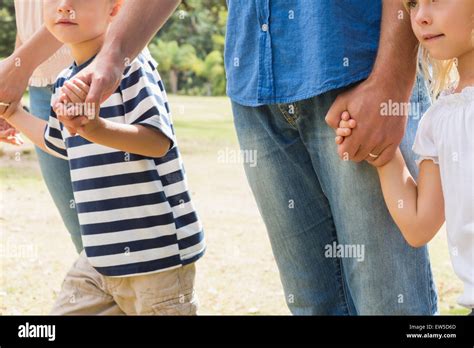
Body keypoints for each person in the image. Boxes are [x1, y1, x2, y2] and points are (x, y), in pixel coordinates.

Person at [48, 0, 438, 315]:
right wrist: (113, 54)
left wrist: (391, 79)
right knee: (312, 303)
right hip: (256, 87)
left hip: (356, 74)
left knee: (388, 303)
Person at [1, 0, 205, 315]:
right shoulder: (64, 79)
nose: (64, 6)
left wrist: (96, 128)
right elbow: (60, 143)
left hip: (157, 260)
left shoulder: (132, 67)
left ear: (115, 9)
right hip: (99, 259)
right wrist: (13, 113)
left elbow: (157, 142)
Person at [336, 0, 473, 315]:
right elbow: (418, 224)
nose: (421, 16)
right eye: (412, 3)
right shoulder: (440, 116)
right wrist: (380, 151)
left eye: (435, 0)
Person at [0, 0, 81, 251]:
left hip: (88, 76)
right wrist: (15, 83)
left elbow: (76, 8)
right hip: (40, 87)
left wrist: (18, 69)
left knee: (108, 218)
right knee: (78, 227)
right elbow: (28, 20)